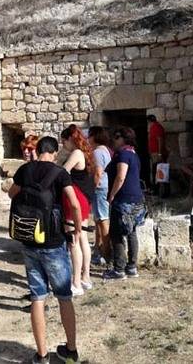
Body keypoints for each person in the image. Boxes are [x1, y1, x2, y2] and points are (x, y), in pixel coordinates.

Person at [9, 136, 81, 364]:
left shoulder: (24, 170)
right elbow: (74, 203)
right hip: (53, 241)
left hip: (29, 238)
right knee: (64, 297)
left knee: (37, 297)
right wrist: (77, 230)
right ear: (55, 151)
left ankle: (41, 355)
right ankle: (71, 350)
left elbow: (12, 194)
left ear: (38, 150)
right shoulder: (60, 173)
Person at [103, 127, 145, 281]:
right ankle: (132, 267)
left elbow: (121, 176)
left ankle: (119, 269)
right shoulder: (134, 154)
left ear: (123, 138)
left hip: (123, 199)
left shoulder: (122, 154)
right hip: (136, 198)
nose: (114, 139)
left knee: (117, 233)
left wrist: (112, 195)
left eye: (116, 136)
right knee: (132, 232)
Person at [60, 125, 94, 296]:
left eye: (63, 141)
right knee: (83, 240)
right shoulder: (86, 152)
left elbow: (63, 173)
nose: (63, 144)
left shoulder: (76, 153)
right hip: (84, 199)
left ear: (69, 140)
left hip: (75, 198)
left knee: (73, 241)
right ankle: (85, 277)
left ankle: (76, 283)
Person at [87, 126, 112, 266]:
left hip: (100, 188)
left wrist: (91, 188)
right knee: (99, 219)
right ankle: (99, 248)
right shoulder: (105, 150)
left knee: (102, 220)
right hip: (105, 187)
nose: (88, 139)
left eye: (89, 136)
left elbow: (98, 172)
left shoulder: (97, 152)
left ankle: (106, 253)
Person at [147, 114, 167, 192]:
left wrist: (159, 153)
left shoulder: (156, 127)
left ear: (149, 121)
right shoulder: (153, 127)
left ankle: (158, 190)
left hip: (157, 153)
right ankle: (157, 190)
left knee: (159, 171)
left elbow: (160, 140)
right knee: (156, 171)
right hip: (154, 153)